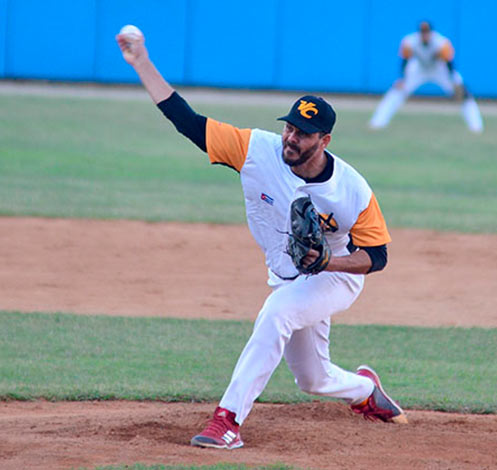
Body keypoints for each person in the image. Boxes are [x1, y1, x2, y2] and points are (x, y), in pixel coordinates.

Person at [116, 28, 407, 450]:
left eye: (304, 133)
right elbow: (186, 121)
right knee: (312, 378)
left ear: (324, 141)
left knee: (276, 315)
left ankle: (227, 421)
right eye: (290, 127)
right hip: (287, 273)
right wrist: (141, 61)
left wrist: (327, 263)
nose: (292, 137)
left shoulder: (352, 191)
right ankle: (364, 391)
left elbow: (376, 257)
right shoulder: (256, 149)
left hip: (334, 277)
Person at [369, 21, 484, 133]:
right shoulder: (409, 41)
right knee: (397, 90)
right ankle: (377, 122)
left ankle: (476, 127)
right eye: (422, 32)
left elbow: (449, 64)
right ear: (419, 33)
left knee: (463, 93)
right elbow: (404, 61)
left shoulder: (441, 42)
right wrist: (402, 78)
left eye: (427, 32)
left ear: (431, 33)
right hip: (418, 68)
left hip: (439, 68)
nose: (425, 35)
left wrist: (455, 80)